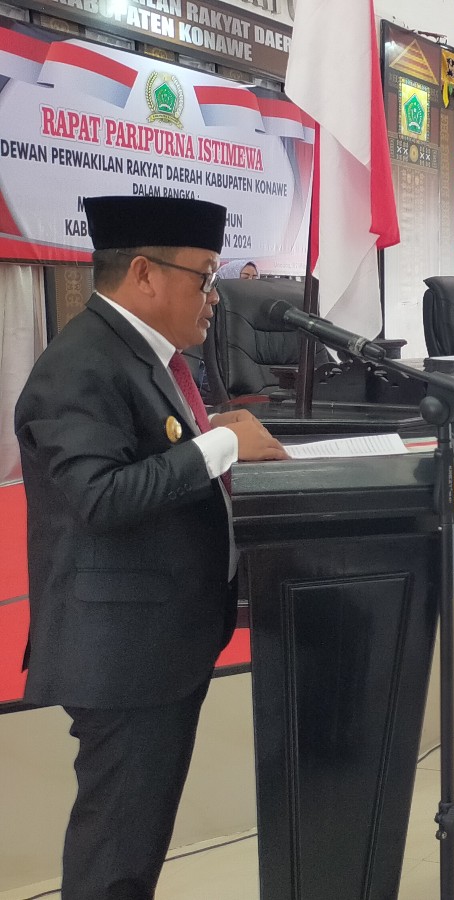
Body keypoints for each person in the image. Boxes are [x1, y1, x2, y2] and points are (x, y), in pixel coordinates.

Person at [13, 195, 288, 900]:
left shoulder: (139, 354)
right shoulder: (80, 364)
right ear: (144, 273)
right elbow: (99, 497)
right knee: (117, 854)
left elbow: (149, 457)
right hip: (121, 652)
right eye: (205, 277)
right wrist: (219, 444)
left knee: (136, 846)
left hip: (157, 641)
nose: (214, 298)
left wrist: (212, 434)